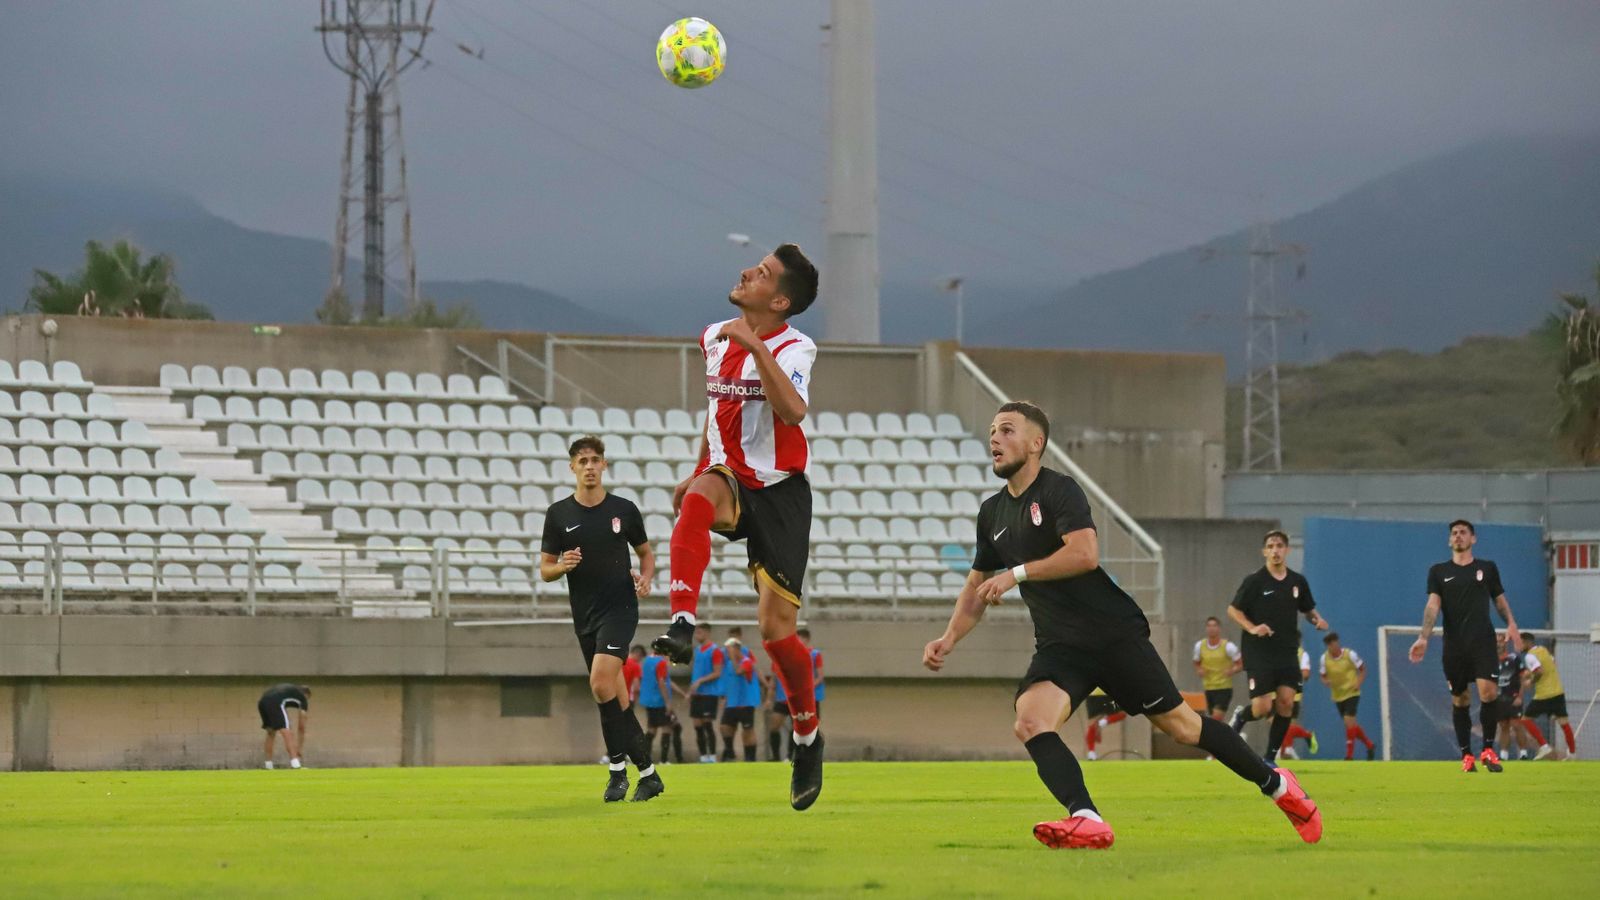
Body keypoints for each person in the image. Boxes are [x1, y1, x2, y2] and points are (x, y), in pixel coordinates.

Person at [921, 402, 1321, 849]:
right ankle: (1087, 817)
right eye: (992, 430)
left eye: (1007, 430)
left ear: (1036, 444)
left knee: (1185, 729)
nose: (994, 438)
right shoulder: (992, 514)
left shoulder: (1059, 491)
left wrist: (1016, 574)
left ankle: (1278, 786)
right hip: (1060, 648)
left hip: (1111, 635)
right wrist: (949, 637)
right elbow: (976, 587)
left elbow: (1084, 554)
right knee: (1031, 721)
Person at [649, 244, 825, 809]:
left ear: (779, 301)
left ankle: (806, 737)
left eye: (764, 273)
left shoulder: (796, 345)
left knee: (776, 632)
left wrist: (753, 344)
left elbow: (793, 412)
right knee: (695, 501)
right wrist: (698, 465)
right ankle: (681, 622)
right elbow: (717, 411)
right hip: (730, 476)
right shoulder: (712, 337)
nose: (748, 270)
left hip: (779, 493)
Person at [540, 435, 664, 802]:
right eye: (583, 461)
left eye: (595, 460)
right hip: (586, 616)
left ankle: (615, 771)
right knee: (615, 698)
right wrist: (563, 565)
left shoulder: (623, 510)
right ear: (572, 467)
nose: (590, 466)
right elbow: (545, 570)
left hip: (620, 610)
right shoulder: (559, 514)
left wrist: (645, 578)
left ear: (604, 465)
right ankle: (649, 773)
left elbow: (646, 553)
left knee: (599, 683)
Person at [1408, 520, 1522, 773]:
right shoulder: (1438, 571)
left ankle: (1488, 751)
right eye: (1454, 533)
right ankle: (1466, 755)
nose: (1458, 536)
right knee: (1460, 699)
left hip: (1483, 641)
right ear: (1450, 540)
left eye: (1463, 533)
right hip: (1454, 645)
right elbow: (1432, 606)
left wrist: (1512, 623)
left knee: (1488, 692)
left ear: (1473, 539)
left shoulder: (1487, 568)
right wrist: (1423, 637)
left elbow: (1499, 601)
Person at [1225, 530, 1330, 764]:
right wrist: (1252, 628)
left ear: (1287, 550)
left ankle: (1270, 758)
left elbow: (1307, 608)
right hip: (1259, 651)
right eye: (1271, 546)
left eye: (1280, 546)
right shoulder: (1254, 581)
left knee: (1286, 703)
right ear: (1264, 551)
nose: (1275, 550)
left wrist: (1317, 620)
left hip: (1287, 651)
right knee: (1262, 707)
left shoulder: (1297, 582)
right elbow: (1233, 610)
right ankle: (1242, 716)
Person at [768, 627, 825, 761]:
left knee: (802, 728)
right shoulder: (783, 655)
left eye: (800, 639)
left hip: (806, 697)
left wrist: (807, 688)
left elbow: (820, 676)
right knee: (774, 725)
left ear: (807, 639)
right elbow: (774, 677)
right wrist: (769, 697)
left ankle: (793, 756)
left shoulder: (814, 654)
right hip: (784, 697)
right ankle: (775, 757)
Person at [1520, 633, 1577, 760]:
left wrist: (1531, 681)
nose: (1519, 646)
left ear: (1527, 642)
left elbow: (1539, 671)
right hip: (1557, 692)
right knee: (1564, 723)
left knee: (1525, 719)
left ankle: (1544, 746)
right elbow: (1552, 663)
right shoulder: (1543, 650)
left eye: (1520, 642)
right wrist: (1531, 673)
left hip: (1544, 694)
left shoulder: (1529, 656)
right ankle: (1572, 754)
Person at [1319, 633, 1375, 761]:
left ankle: (1349, 756)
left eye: (1333, 643)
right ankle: (1369, 745)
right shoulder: (1324, 658)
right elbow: (1322, 675)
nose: (1331, 647)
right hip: (1338, 695)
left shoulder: (1350, 655)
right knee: (1350, 725)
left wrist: (1358, 683)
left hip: (1352, 693)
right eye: (1328, 645)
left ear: (1337, 643)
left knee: (1348, 721)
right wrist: (1326, 681)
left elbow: (1362, 669)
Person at [1493, 632, 1546, 760]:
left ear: (1505, 643)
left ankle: (1523, 754)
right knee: (1503, 726)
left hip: (1513, 698)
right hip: (1499, 699)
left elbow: (1523, 678)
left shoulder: (1514, 658)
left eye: (1500, 641)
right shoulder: (1491, 661)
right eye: (1496, 642)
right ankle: (1503, 756)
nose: (1498, 644)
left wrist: (1520, 697)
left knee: (1517, 725)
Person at [687, 622, 727, 762]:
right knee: (697, 726)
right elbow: (696, 673)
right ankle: (703, 756)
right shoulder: (697, 650)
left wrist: (700, 681)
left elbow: (717, 672)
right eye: (696, 633)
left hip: (709, 693)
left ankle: (713, 756)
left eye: (699, 632)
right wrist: (690, 690)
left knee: (707, 724)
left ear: (707, 633)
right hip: (697, 694)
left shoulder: (715, 650)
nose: (697, 635)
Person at [636, 645, 680, 765]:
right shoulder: (661, 663)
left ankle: (644, 759)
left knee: (652, 730)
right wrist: (668, 703)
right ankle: (663, 760)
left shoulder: (648, 661)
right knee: (667, 728)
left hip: (649, 701)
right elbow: (662, 682)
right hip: (659, 701)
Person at [1193, 616, 1243, 721]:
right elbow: (1196, 662)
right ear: (1206, 628)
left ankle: (1230, 728)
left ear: (1219, 628)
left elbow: (1240, 663)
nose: (1212, 628)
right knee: (1214, 720)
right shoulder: (1199, 646)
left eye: (1214, 626)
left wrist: (1232, 670)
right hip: (1209, 688)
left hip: (1224, 688)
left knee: (1216, 718)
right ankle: (1227, 734)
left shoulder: (1228, 646)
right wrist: (1199, 670)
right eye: (1209, 626)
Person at [1278, 647, 1318, 760]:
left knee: (1285, 724)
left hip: (1292, 695)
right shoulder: (1277, 650)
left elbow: (1305, 674)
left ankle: (1286, 750)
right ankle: (1307, 735)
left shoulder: (1301, 654)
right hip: (1276, 693)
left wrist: (1289, 678)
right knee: (1276, 723)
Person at [258, 682, 310, 770]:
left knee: (271, 733)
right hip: (275, 702)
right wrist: (299, 748)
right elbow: (301, 727)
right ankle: (295, 764)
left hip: (262, 702)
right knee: (287, 732)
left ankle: (268, 765)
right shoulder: (302, 698)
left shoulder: (289, 689)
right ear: (306, 694)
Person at [1081, 690, 1125, 761]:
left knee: (1092, 724)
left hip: (1100, 694)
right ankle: (1091, 753)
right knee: (1092, 724)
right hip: (1100, 693)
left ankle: (1091, 753)